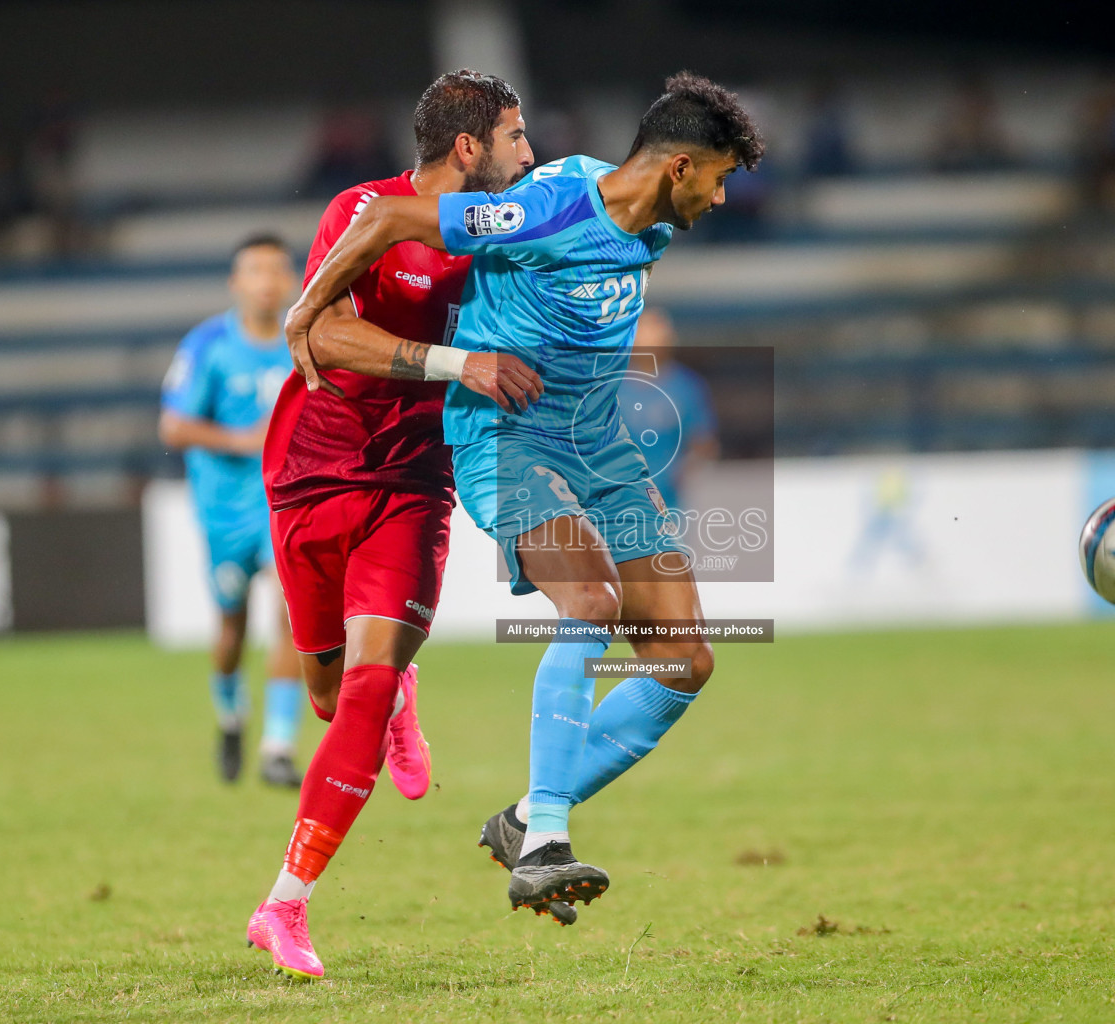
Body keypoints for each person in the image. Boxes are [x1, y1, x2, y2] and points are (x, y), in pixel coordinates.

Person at [285, 71, 764, 921]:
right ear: (682, 166)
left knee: (686, 659)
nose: (724, 198)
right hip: (508, 437)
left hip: (600, 444)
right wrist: (307, 312)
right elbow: (390, 217)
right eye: (722, 177)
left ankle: (523, 821)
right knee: (589, 602)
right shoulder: (547, 205)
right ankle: (546, 839)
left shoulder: (649, 228)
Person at [244, 70, 543, 981]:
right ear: (467, 148)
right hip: (311, 469)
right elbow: (324, 336)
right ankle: (396, 692)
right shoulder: (362, 210)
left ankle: (284, 905)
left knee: (363, 689)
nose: (528, 155)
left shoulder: (506, 237)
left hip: (415, 483)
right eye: (516, 138)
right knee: (333, 698)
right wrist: (460, 361)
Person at [159, 234, 305, 787]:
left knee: (289, 614)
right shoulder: (208, 345)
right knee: (230, 631)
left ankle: (278, 748)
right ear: (235, 283)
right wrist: (246, 440)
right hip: (225, 511)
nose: (267, 281)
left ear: (290, 279)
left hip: (285, 503)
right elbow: (173, 425)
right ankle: (230, 716)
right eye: (255, 271)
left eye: (276, 269)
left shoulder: (305, 334)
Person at [617, 307, 719, 513]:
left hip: (669, 502)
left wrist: (685, 469)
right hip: (618, 499)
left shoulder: (687, 386)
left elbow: (704, 441)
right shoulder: (614, 385)